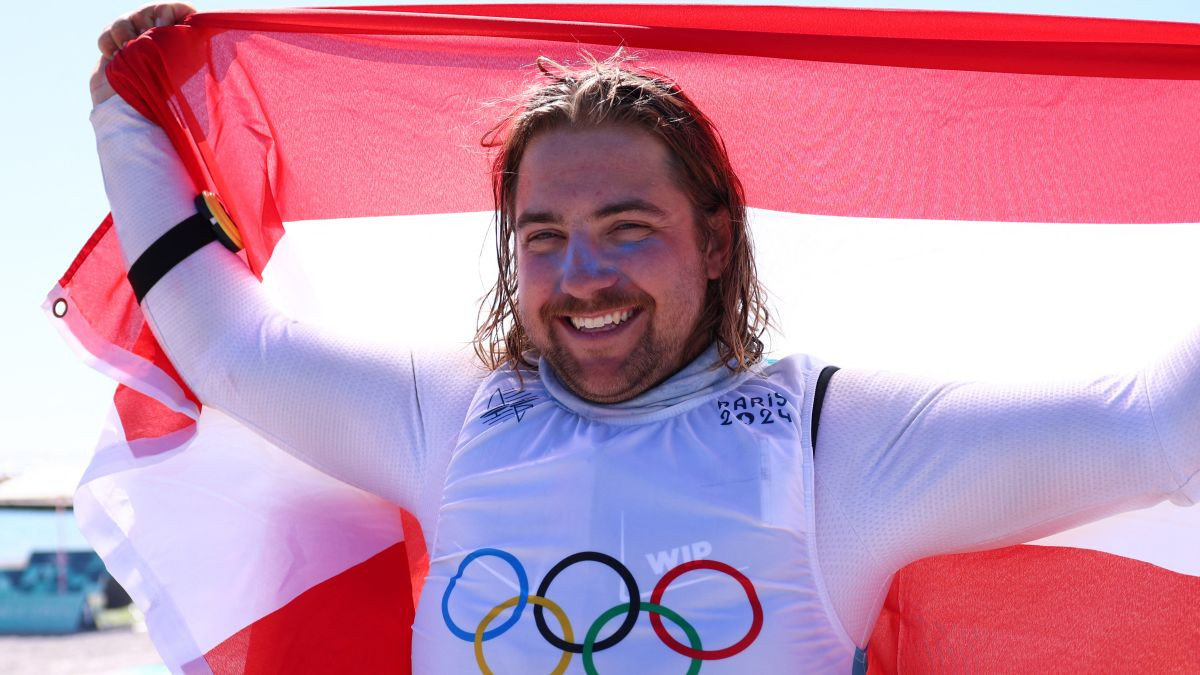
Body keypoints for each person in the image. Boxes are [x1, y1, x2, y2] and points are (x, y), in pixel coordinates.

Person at [90, 5, 1199, 674]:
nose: (583, 278)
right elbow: (226, 347)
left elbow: (1158, 425)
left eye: (629, 230)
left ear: (716, 242)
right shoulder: (453, 418)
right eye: (546, 236)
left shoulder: (832, 446)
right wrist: (129, 111)